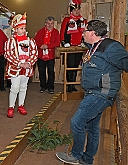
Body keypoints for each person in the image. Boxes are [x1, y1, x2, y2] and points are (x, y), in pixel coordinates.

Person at [56, 20, 128, 165]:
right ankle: (87, 159)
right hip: (92, 92)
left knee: (76, 122)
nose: (82, 34)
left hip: (101, 93)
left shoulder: (111, 47)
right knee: (92, 127)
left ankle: (76, 155)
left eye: (84, 31)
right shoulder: (93, 46)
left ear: (92, 33)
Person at [4, 12, 38, 118]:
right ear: (15, 29)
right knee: (14, 88)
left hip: (26, 68)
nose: (23, 30)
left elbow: (34, 53)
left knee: (24, 87)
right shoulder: (10, 41)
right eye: (21, 28)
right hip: (16, 68)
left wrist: (29, 63)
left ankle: (21, 105)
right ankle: (11, 107)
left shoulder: (30, 40)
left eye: (24, 28)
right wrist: (20, 64)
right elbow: (8, 54)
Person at [60, 0, 87, 92]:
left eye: (78, 9)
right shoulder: (67, 20)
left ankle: (72, 85)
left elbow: (85, 33)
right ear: (71, 11)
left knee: (75, 66)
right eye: (75, 10)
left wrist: (84, 42)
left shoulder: (83, 20)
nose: (77, 11)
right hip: (70, 47)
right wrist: (64, 42)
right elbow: (62, 32)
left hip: (79, 46)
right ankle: (69, 85)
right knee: (70, 66)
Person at [34, 16, 60, 94]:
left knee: (51, 71)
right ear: (45, 24)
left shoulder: (56, 32)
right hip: (41, 55)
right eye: (48, 23)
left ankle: (51, 87)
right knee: (41, 71)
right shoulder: (40, 31)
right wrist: (41, 45)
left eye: (51, 23)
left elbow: (57, 43)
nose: (50, 25)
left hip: (50, 55)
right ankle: (43, 86)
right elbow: (36, 41)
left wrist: (48, 46)